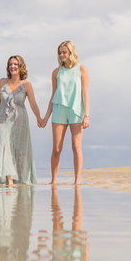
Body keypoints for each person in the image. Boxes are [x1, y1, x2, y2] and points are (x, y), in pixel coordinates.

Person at [40, 40, 90, 185]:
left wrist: (86, 115)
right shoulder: (56, 72)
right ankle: (54, 180)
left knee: (76, 146)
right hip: (59, 110)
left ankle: (77, 180)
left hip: (76, 110)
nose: (62, 55)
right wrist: (45, 117)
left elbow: (85, 94)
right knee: (56, 148)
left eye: (64, 52)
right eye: (60, 53)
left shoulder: (82, 69)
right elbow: (53, 95)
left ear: (71, 53)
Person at [0, 55, 43, 185]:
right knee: (4, 145)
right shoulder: (2, 82)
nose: (12, 66)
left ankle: (19, 179)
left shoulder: (26, 85)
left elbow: (33, 104)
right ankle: (9, 180)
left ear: (20, 67)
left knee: (20, 149)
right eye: (10, 64)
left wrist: (39, 118)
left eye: (15, 64)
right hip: (3, 120)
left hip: (20, 121)